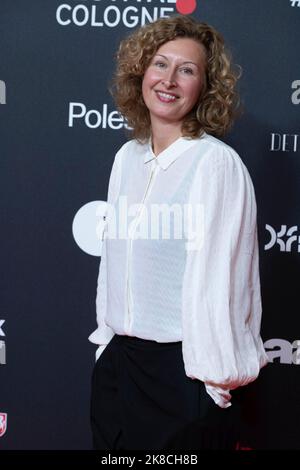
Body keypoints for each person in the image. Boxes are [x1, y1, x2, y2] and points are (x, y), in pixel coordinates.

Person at [89, 15, 269, 450]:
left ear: (205, 87)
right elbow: (113, 266)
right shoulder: (126, 158)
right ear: (141, 73)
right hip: (119, 372)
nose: (169, 80)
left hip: (181, 375)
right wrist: (105, 348)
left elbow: (224, 285)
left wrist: (211, 382)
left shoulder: (215, 165)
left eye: (186, 70)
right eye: (160, 64)